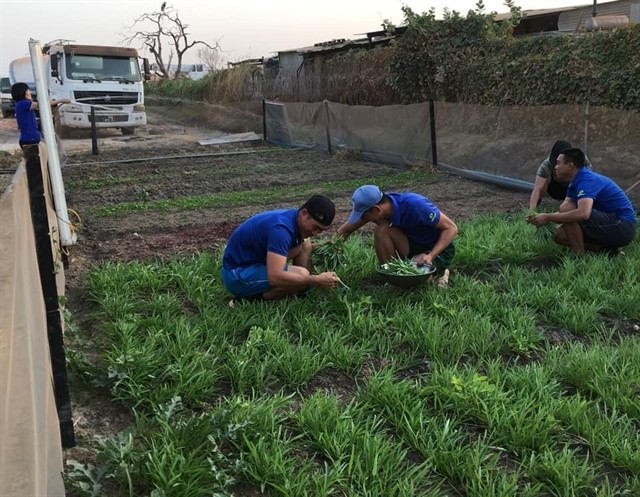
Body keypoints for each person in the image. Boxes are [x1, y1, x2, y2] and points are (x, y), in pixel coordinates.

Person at [222, 195, 342, 300]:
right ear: (304, 213)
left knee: (306, 243)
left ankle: (299, 289)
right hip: (237, 274)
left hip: (253, 261)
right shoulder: (281, 231)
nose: (316, 233)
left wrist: (321, 248)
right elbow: (275, 277)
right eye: (315, 227)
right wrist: (314, 280)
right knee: (302, 275)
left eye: (320, 230)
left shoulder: (292, 218)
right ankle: (249, 299)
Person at [526, 148, 636, 254]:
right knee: (558, 234)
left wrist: (548, 217)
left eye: (558, 163)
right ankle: (604, 250)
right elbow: (566, 213)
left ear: (570, 166)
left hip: (622, 226)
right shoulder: (575, 182)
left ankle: (579, 255)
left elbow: (583, 213)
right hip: (607, 222)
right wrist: (540, 218)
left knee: (567, 208)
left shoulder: (587, 180)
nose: (555, 167)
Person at [337, 185, 458, 272]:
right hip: (413, 244)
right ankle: (390, 273)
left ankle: (442, 273)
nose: (363, 219)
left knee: (417, 280)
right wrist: (332, 247)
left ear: (376, 209)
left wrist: (431, 256)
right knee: (382, 229)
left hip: (436, 249)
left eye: (364, 216)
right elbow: (345, 230)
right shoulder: (381, 208)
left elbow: (451, 228)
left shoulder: (416, 205)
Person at [529, 140, 592, 209]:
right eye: (555, 163)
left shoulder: (582, 161)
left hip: (575, 189)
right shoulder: (547, 165)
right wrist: (531, 210)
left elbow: (588, 182)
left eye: (558, 163)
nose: (556, 166)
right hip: (556, 189)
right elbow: (537, 188)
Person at [11, 82, 69, 150]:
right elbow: (43, 104)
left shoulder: (20, 104)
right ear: (24, 92)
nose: (30, 92)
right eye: (28, 90)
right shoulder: (24, 103)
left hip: (29, 138)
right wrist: (62, 100)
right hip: (31, 139)